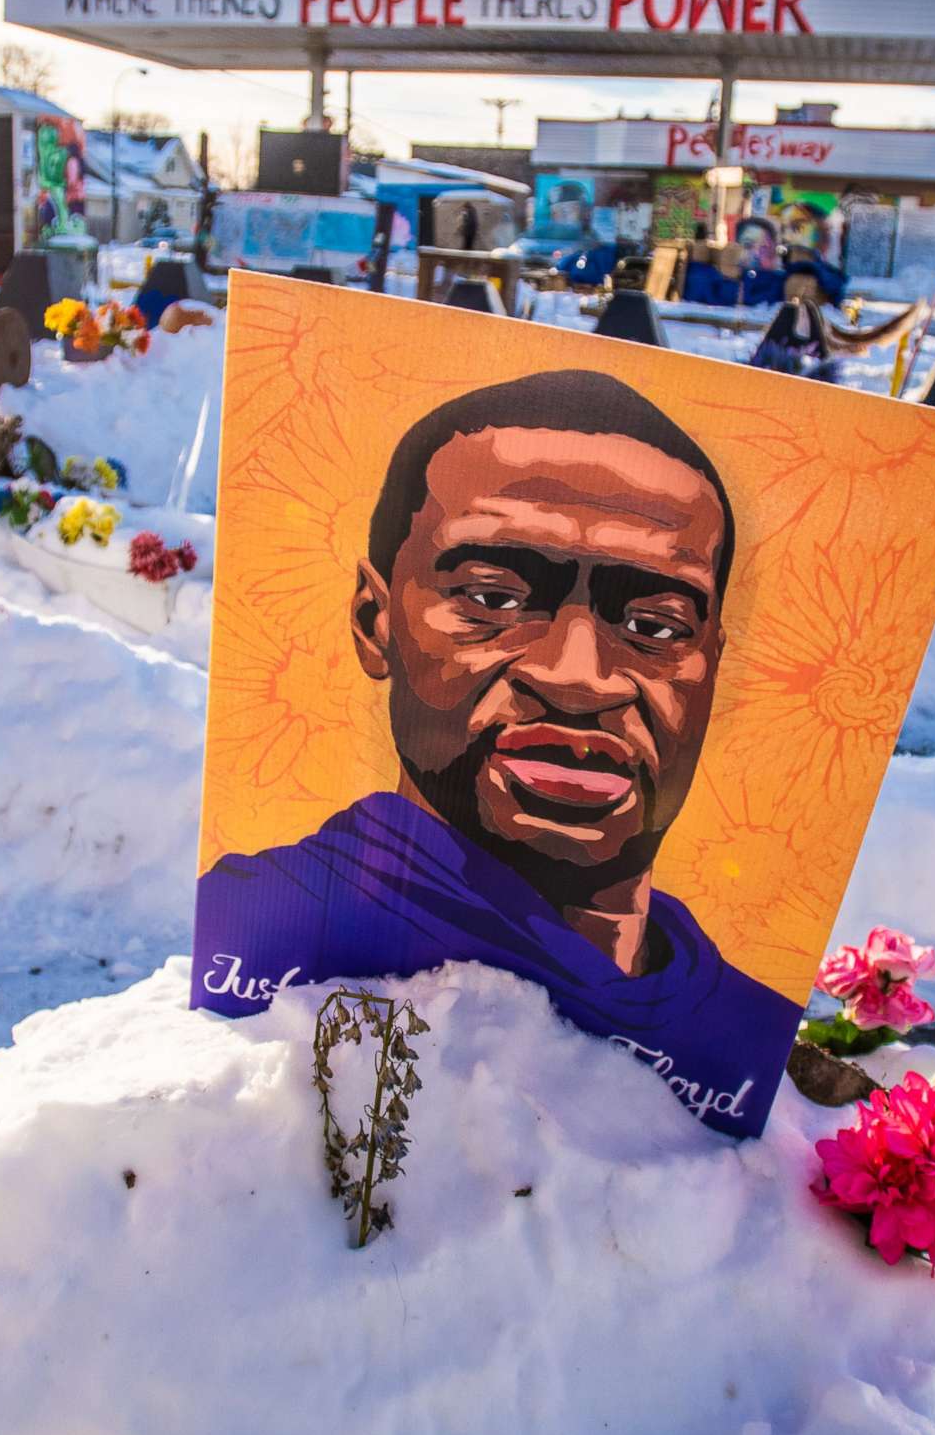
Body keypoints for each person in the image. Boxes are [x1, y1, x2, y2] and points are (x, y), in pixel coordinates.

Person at [194, 370, 800, 1136]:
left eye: (655, 624)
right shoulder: (254, 932)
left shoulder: (742, 1035)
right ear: (374, 620)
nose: (579, 677)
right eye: (493, 599)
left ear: (712, 662)